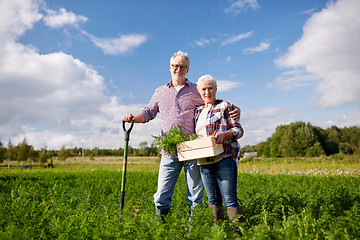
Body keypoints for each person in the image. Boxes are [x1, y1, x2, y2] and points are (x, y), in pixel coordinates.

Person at [122, 51, 240, 223]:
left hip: (192, 150)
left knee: (195, 196)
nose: (179, 69)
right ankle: (161, 228)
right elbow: (148, 112)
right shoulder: (160, 91)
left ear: (188, 69)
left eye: (183, 67)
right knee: (162, 194)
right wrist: (133, 118)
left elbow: (212, 102)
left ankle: (194, 229)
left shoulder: (195, 89)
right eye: (175, 66)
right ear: (170, 68)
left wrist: (236, 110)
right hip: (169, 151)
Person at [195, 74, 244, 224]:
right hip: (204, 161)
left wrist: (225, 135)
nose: (207, 92)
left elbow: (239, 130)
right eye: (204, 89)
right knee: (213, 200)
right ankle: (219, 232)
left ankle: (237, 233)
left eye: (210, 88)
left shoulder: (225, 106)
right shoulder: (197, 112)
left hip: (224, 158)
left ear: (216, 89)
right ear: (199, 91)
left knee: (230, 199)